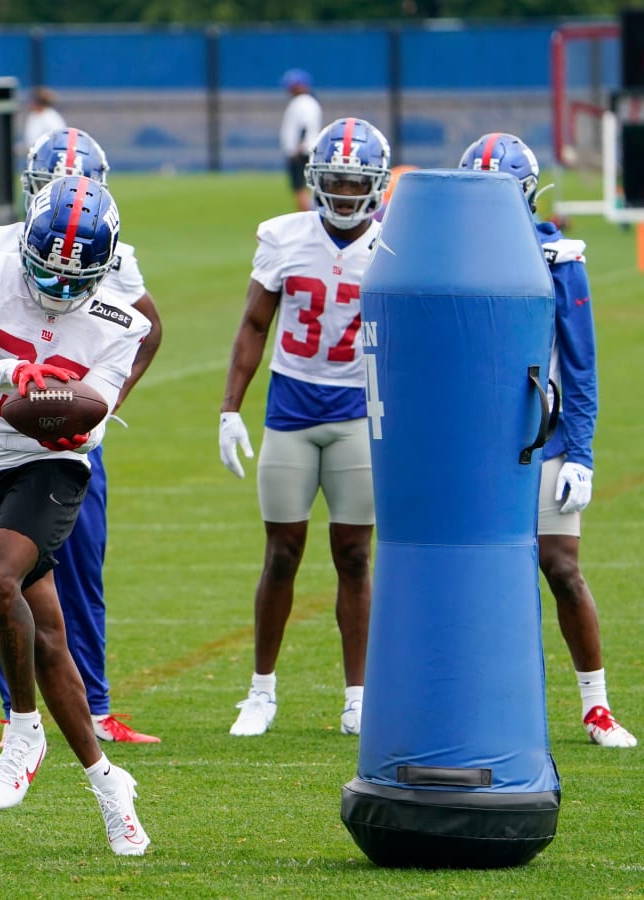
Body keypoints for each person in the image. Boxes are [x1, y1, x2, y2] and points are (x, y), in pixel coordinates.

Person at [0, 128, 163, 743]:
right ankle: (16, 712)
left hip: (68, 445)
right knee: (8, 578)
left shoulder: (113, 256)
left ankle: (92, 708)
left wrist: (96, 409)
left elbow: (145, 332)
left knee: (80, 572)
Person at [0, 174, 150, 855]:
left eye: (71, 279)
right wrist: (13, 373)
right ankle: (111, 787)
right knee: (47, 636)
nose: (56, 292)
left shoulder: (121, 321)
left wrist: (70, 419)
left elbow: (95, 418)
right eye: (46, 275)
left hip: (52, 469)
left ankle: (23, 730)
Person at [460, 133, 636, 749]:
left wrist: (582, 453)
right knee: (473, 576)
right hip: (473, 448)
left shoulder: (559, 257)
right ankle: (480, 705)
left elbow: (581, 366)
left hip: (543, 437)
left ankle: (597, 707)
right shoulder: (445, 258)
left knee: (561, 568)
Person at [219, 117, 391, 738]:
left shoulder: (397, 241)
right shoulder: (283, 235)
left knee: (354, 555)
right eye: (335, 181)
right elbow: (254, 324)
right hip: (292, 409)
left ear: (376, 185)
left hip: (357, 413)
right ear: (316, 179)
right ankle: (261, 691)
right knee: (282, 554)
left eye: (356, 182)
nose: (345, 193)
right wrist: (230, 408)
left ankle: (359, 696)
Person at [279, 69, 322, 212]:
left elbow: (305, 125)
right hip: (305, 150)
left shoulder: (303, 102)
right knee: (304, 189)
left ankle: (306, 216)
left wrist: (298, 147)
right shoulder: (307, 101)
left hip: (301, 151)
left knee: (299, 189)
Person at [22, 87, 66, 154]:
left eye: (33, 101)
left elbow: (58, 141)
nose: (30, 104)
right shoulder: (33, 115)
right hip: (34, 156)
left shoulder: (51, 117)